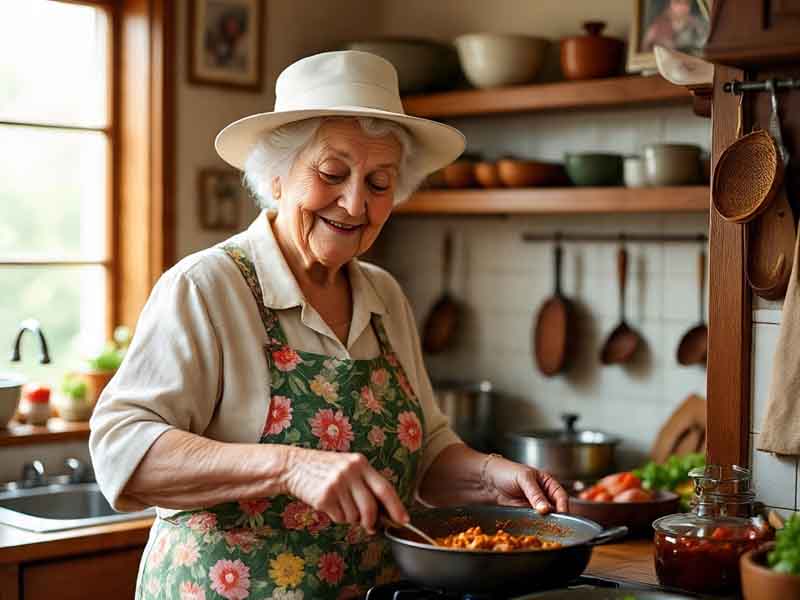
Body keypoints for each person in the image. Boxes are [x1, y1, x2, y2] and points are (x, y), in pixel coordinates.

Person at [90, 51, 567, 600]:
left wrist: (490, 476)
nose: (354, 203)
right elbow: (121, 451)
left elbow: (426, 447)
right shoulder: (207, 286)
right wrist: (290, 467)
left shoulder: (384, 294)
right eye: (332, 173)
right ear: (276, 174)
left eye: (380, 183)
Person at [642, 0, 708, 52]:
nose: (682, 6)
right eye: (678, 1)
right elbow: (646, 49)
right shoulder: (657, 27)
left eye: (686, 2)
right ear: (670, 4)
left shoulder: (697, 23)